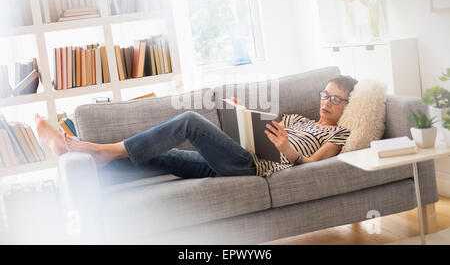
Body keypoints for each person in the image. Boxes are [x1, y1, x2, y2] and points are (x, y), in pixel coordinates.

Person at [36, 75, 358, 178]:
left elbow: (314, 165)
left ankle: (97, 149)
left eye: (336, 99)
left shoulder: (337, 134)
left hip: (252, 168)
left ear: (349, 106)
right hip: (240, 156)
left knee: (189, 122)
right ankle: (88, 158)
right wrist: (244, 118)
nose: (326, 102)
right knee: (163, 156)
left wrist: (290, 151)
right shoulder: (296, 119)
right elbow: (263, 134)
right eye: (324, 94)